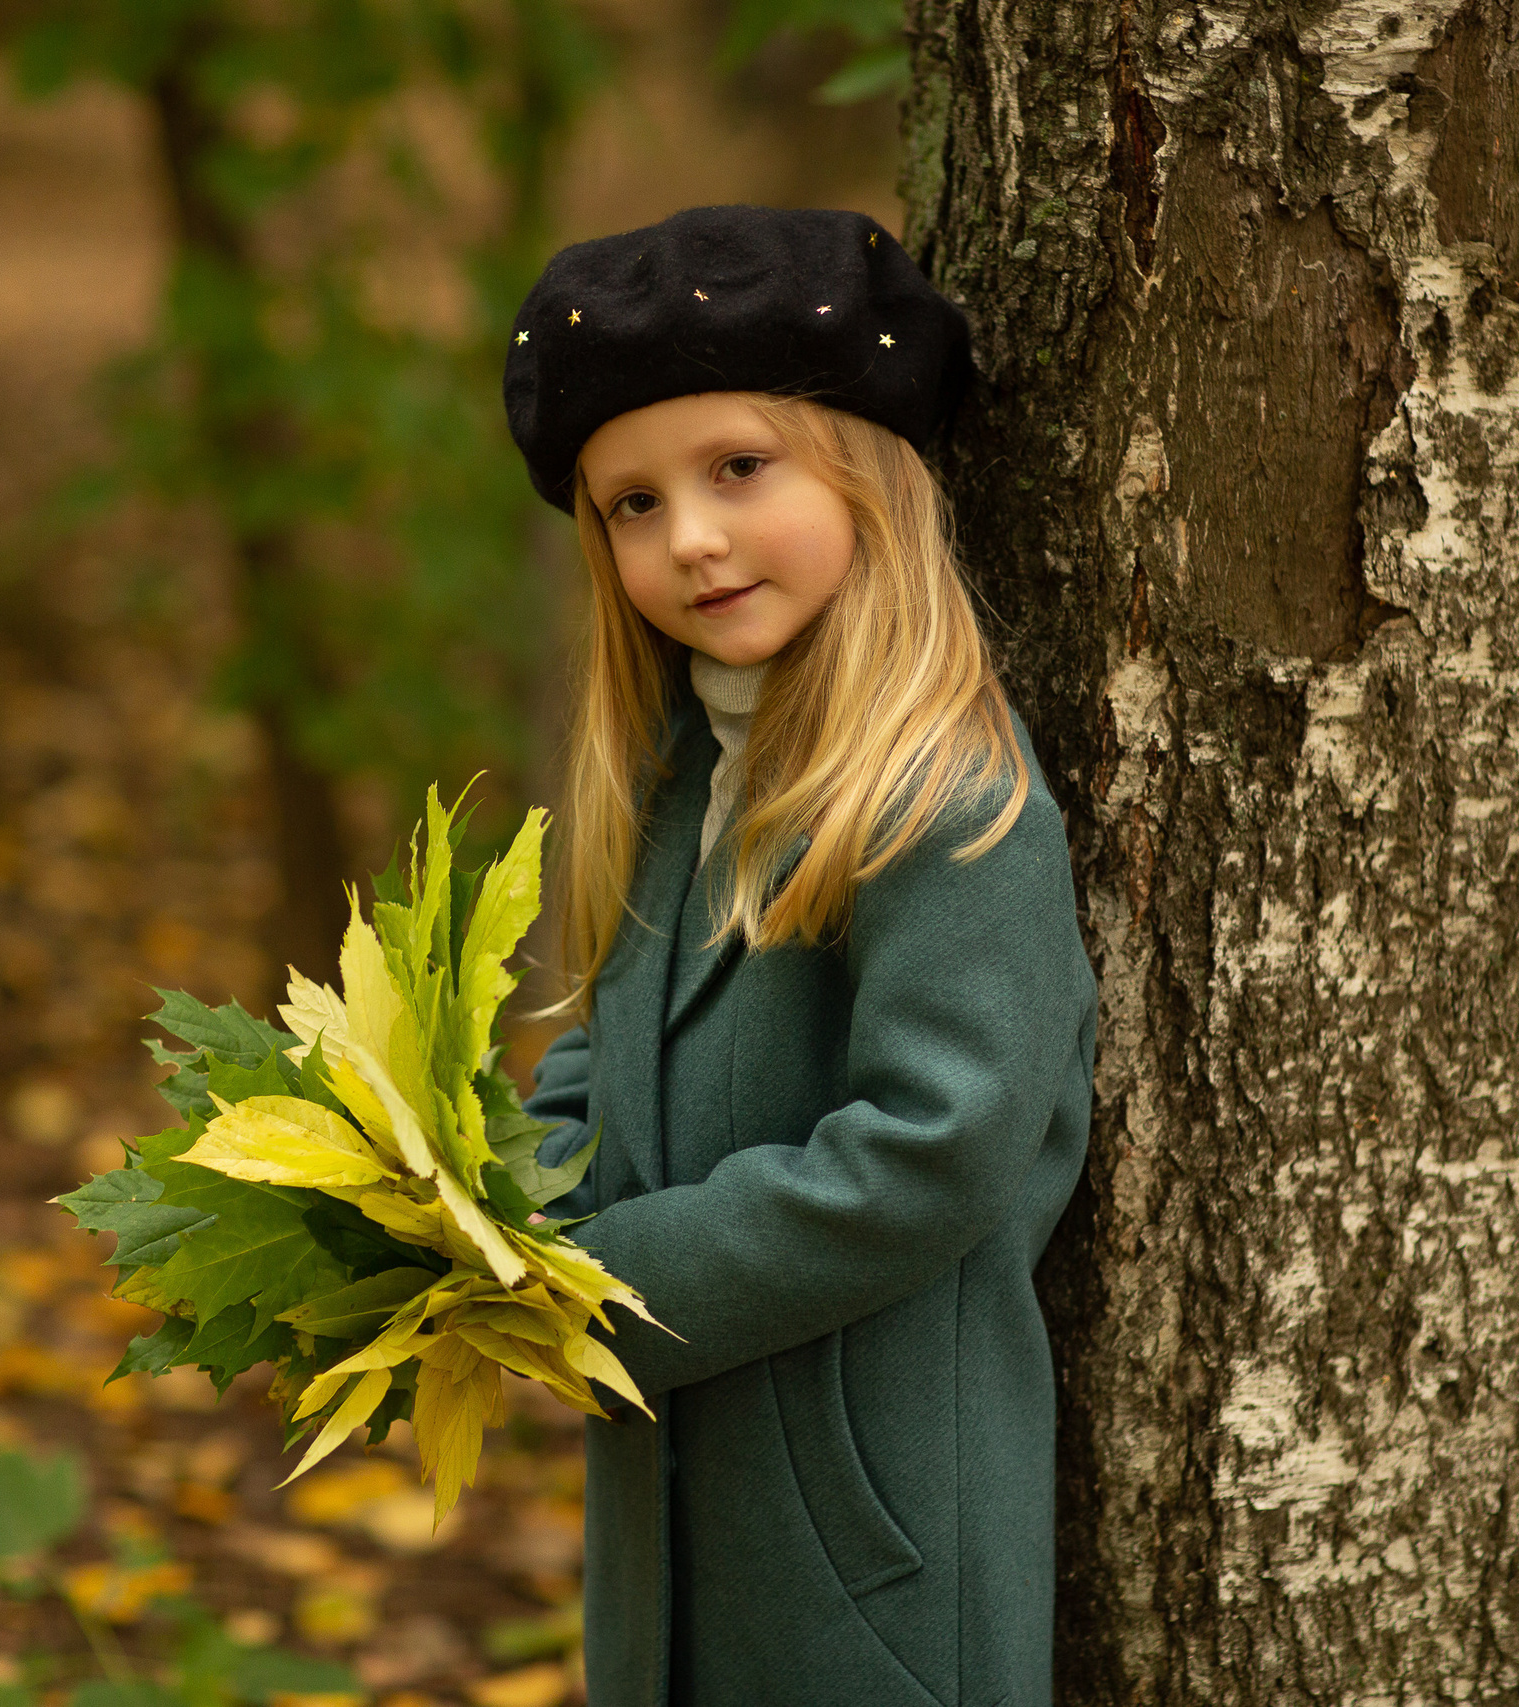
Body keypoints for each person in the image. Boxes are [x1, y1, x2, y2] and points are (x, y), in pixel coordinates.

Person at [506, 204, 1099, 1707]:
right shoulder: (677, 780)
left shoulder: (943, 794)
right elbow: (603, 1054)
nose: (690, 538)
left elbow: (936, 1146)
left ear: (867, 469)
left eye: (738, 469)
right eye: (632, 504)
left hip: (872, 1551)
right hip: (674, 1521)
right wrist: (499, 1230)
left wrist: (608, 1283)